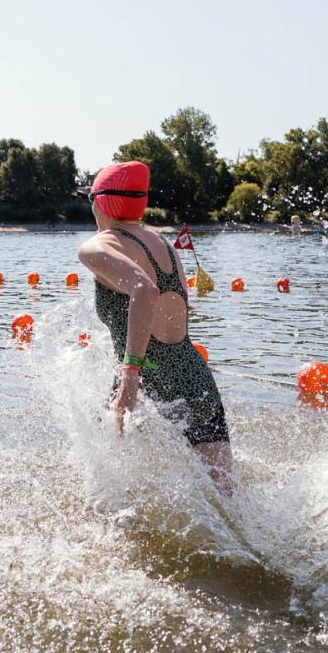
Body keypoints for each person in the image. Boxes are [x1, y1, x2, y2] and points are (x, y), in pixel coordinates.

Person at [77, 161, 234, 493]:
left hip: (149, 378)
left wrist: (130, 375)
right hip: (194, 376)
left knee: (112, 486)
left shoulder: (96, 247)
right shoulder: (162, 243)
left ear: (101, 202)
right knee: (227, 496)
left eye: (91, 198)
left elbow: (145, 290)